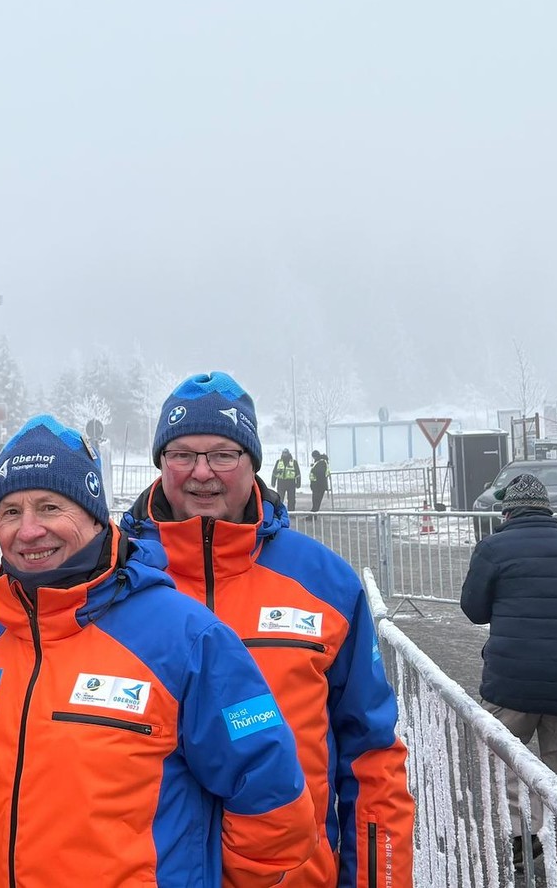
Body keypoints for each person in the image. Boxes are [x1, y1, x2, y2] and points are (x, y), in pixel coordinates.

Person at [0, 416, 316, 886]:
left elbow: (276, 808)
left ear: (92, 514)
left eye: (49, 507)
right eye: (10, 512)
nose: (29, 531)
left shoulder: (185, 636)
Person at [122, 372, 415, 888]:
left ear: (253, 462)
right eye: (182, 454)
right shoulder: (112, 579)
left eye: (223, 454)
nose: (201, 473)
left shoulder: (323, 582)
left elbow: (371, 756)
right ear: (160, 463)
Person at [459, 473, 557, 868]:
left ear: (507, 511)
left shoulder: (493, 548)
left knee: (508, 760)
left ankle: (522, 839)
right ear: (548, 509)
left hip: (511, 681)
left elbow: (473, 610)